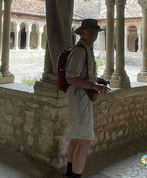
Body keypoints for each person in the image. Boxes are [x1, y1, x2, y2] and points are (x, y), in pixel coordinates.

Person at [63, 19, 110, 178]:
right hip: (79, 97)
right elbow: (71, 78)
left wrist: (96, 81)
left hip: (81, 96)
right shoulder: (80, 51)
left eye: (95, 31)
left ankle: (69, 174)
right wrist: (94, 87)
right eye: (90, 30)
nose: (94, 34)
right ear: (82, 32)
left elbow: (83, 75)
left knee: (77, 138)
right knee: (85, 141)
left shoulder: (86, 49)